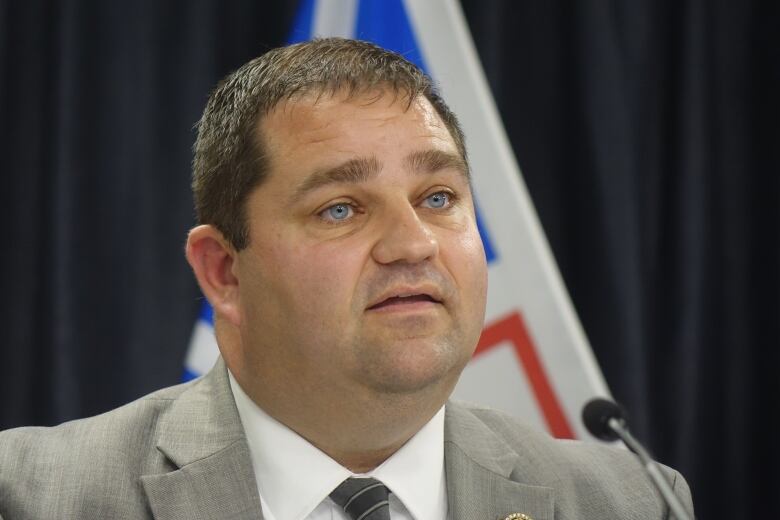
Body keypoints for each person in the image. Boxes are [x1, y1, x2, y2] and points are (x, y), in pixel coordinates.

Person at [0, 38, 694, 520]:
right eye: (341, 208)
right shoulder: (33, 496)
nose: (414, 243)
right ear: (224, 272)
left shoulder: (629, 503)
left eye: (439, 198)